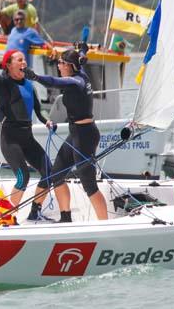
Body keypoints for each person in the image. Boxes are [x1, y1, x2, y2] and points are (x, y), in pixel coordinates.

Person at [23, 46, 109, 222]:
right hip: (76, 133)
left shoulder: (76, 81)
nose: (58, 65)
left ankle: (104, 223)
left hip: (85, 136)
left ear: (70, 66)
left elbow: (54, 81)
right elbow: (82, 58)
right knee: (56, 174)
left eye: (61, 62)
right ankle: (64, 216)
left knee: (89, 184)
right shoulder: (80, 69)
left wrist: (36, 77)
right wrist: (83, 49)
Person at [0, 37, 53, 221]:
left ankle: (35, 211)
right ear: (9, 65)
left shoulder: (30, 85)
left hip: (27, 136)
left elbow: (39, 110)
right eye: (19, 60)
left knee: (49, 172)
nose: (24, 63)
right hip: (9, 137)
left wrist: (47, 120)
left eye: (24, 60)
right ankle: (7, 217)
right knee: (23, 177)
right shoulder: (2, 84)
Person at [0, 10, 50, 122]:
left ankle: (25, 121)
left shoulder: (29, 32)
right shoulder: (12, 31)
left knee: (22, 95)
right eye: (16, 19)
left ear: (25, 20)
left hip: (19, 70)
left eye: (21, 19)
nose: (18, 21)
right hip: (8, 67)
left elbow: (42, 42)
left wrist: (51, 48)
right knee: (0, 92)